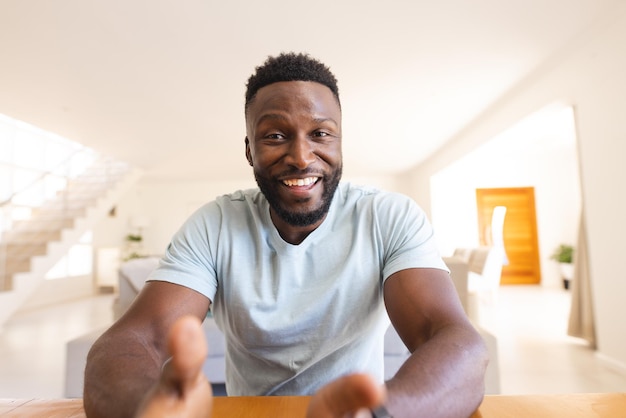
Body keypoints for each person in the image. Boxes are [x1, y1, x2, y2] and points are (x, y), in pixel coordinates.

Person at [84, 52, 488, 418]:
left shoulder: (387, 216)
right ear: (249, 151)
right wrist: (143, 410)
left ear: (340, 142)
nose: (300, 156)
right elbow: (133, 340)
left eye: (320, 134)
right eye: (276, 135)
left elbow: (456, 340)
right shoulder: (216, 224)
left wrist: (376, 415)